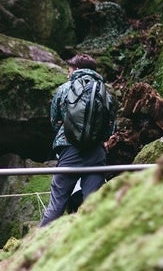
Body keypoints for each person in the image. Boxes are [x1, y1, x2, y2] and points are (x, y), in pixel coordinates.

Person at [40, 53, 115, 226]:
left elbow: (54, 120)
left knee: (57, 204)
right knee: (93, 205)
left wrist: (70, 134)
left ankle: (36, 250)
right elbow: (110, 127)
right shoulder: (105, 93)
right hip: (96, 153)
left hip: (69, 150)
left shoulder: (64, 89)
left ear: (78, 69)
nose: (68, 74)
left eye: (70, 70)